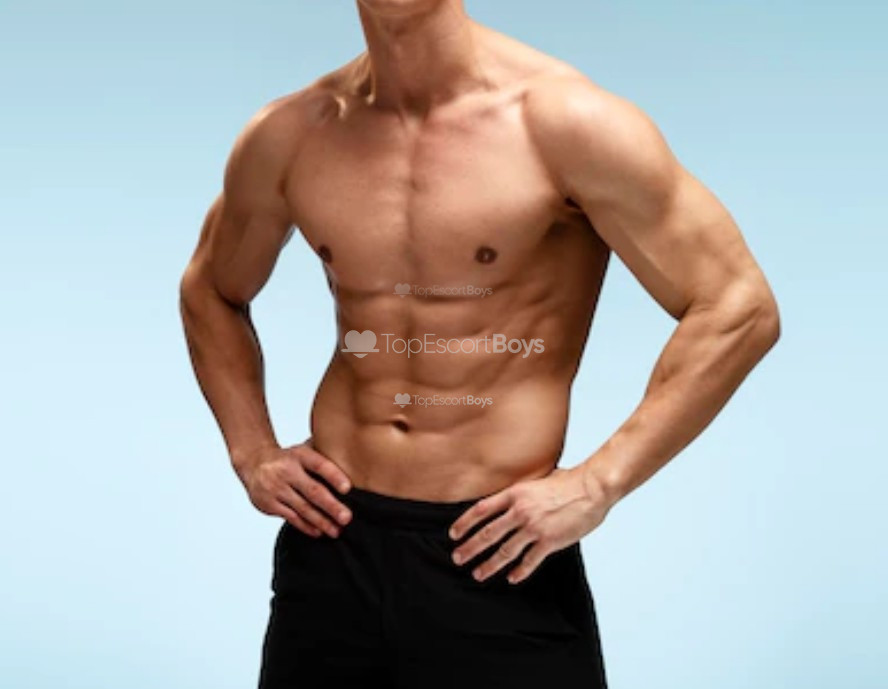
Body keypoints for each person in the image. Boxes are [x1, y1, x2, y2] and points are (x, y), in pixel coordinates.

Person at [178, 1, 780, 686]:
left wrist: (599, 482)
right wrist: (252, 451)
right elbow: (210, 289)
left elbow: (739, 306)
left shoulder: (565, 123)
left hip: (499, 554)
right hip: (331, 546)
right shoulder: (293, 133)